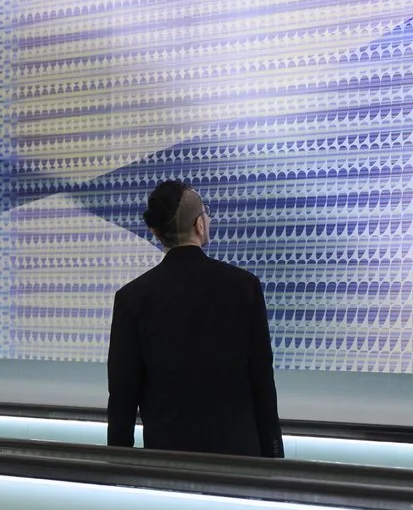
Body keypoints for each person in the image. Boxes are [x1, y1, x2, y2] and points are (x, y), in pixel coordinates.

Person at [106, 181, 283, 457]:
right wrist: (274, 458)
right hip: (241, 462)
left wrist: (119, 466)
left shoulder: (131, 299)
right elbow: (262, 383)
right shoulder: (244, 287)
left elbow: (122, 399)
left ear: (155, 232)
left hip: (167, 464)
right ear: (200, 225)